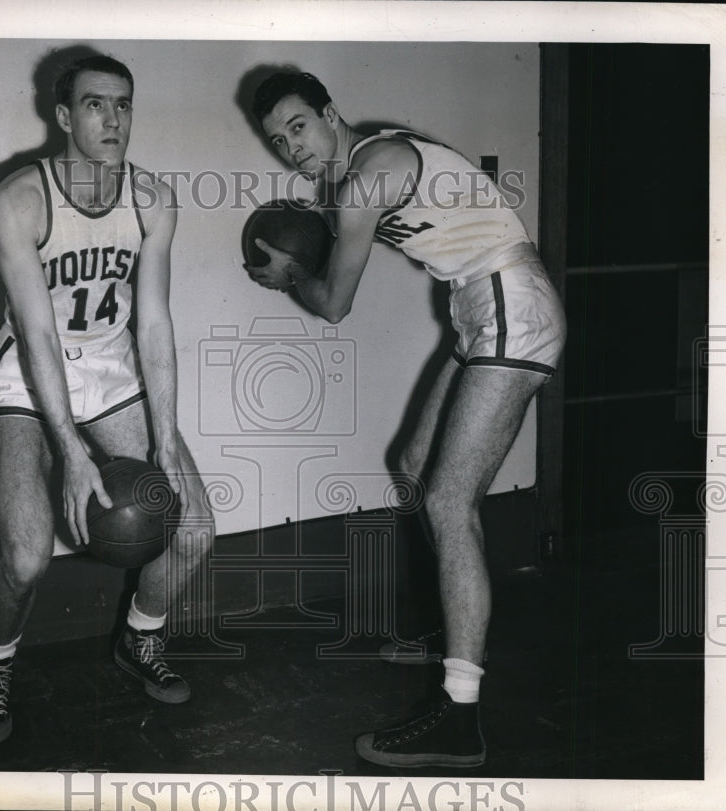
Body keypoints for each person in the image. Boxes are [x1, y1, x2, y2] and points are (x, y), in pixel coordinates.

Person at [246, 71, 566, 768]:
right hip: (478, 306)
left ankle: (460, 715)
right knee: (417, 469)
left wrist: (289, 274)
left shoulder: (367, 177)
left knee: (451, 501)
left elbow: (334, 304)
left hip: (512, 302)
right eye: (277, 140)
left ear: (331, 114)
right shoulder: (359, 173)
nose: (290, 147)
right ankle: (456, 625)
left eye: (299, 126)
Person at [0, 54, 213, 745]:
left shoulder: (152, 198)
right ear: (65, 116)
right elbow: (38, 333)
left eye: (124, 104)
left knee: (192, 529)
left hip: (111, 368)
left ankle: (139, 638)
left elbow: (156, 321)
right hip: (28, 373)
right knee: (24, 557)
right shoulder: (18, 198)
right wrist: (71, 451)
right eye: (97, 104)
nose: (114, 119)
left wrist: (165, 438)